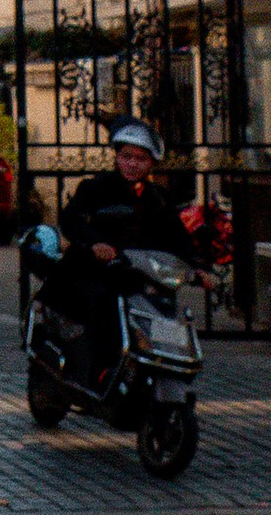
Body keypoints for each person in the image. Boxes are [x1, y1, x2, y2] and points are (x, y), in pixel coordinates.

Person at [48, 117, 187, 380]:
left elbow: (178, 237)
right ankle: (99, 370)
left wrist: (199, 268)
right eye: (126, 156)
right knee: (104, 306)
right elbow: (71, 220)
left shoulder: (158, 198)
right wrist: (94, 244)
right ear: (117, 158)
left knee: (164, 308)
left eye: (141, 158)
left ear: (151, 163)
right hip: (97, 271)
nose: (132, 164)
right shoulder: (95, 188)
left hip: (140, 274)